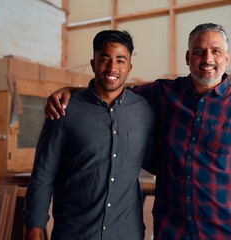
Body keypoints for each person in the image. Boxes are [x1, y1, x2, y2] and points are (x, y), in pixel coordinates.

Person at [45, 23, 231, 240]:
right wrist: (71, 90)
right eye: (199, 52)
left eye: (215, 51)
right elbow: (113, 88)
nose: (207, 59)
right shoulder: (163, 94)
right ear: (188, 58)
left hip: (224, 233)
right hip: (171, 231)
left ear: (226, 58)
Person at [24, 30, 156, 240]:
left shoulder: (144, 112)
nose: (113, 68)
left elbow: (157, 163)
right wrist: (34, 226)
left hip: (126, 233)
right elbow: (43, 173)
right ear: (93, 63)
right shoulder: (64, 110)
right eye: (105, 59)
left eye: (120, 61)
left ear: (129, 67)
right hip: (74, 233)